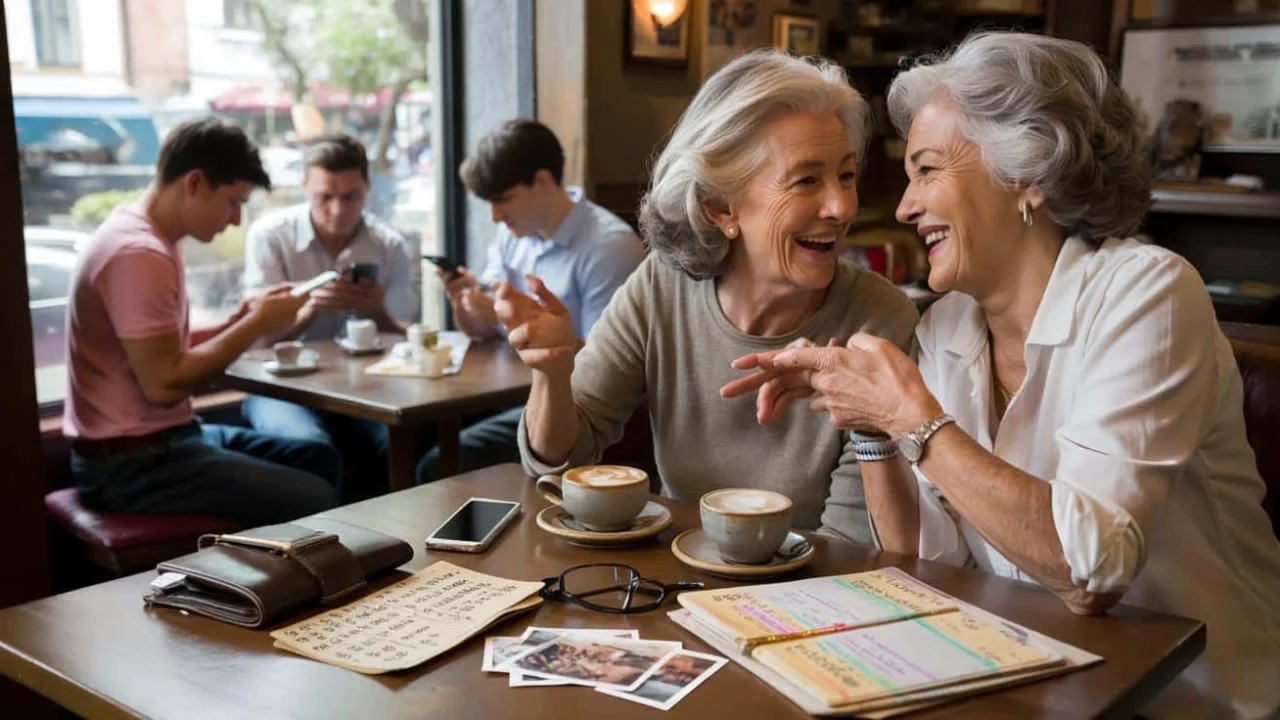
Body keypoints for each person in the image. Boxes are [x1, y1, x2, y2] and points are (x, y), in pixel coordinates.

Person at [723, 33, 1280, 719]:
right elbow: (924, 563)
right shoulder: (944, 328)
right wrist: (870, 426)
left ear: (1028, 176)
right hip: (1037, 690)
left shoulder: (1148, 295)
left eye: (926, 170)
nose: (903, 206)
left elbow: (1088, 570)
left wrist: (913, 420)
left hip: (1196, 703)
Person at [495, 50, 919, 544]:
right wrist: (551, 374)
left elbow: (851, 546)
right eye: (807, 180)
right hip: (675, 583)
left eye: (846, 176)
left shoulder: (881, 320)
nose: (842, 206)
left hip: (807, 601)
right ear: (721, 207)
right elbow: (562, 462)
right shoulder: (662, 284)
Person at [65, 117, 339, 525]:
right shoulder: (137, 253)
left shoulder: (149, 237)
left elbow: (163, 350)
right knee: (314, 496)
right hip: (131, 464)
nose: (235, 220)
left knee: (318, 457)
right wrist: (256, 324)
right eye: (233, 202)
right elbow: (163, 384)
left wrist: (239, 319)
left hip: (166, 442)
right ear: (194, 183)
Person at [415, 119, 645, 483]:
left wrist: (507, 316)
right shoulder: (513, 236)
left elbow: (607, 362)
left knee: (438, 460)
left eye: (503, 199)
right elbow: (482, 331)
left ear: (542, 181)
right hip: (509, 392)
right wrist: (465, 301)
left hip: (574, 408)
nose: (495, 215)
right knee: (420, 436)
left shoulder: (608, 246)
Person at [242, 134, 417, 489]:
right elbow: (253, 343)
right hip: (279, 387)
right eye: (325, 197)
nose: (338, 210)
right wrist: (307, 311)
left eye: (351, 196)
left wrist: (378, 313)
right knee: (309, 448)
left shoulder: (389, 246)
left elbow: (407, 339)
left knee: (404, 440)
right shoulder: (271, 238)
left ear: (367, 188)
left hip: (368, 387)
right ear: (305, 187)